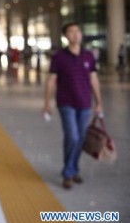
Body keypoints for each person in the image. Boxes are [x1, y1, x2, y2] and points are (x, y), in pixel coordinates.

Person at [43, 22, 103, 190]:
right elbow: (51, 80)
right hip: (66, 103)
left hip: (85, 103)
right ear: (65, 36)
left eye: (78, 31)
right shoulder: (59, 57)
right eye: (71, 31)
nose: (75, 34)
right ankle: (68, 173)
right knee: (73, 137)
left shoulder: (88, 56)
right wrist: (47, 103)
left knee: (80, 138)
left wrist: (99, 102)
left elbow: (94, 80)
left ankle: (73, 168)